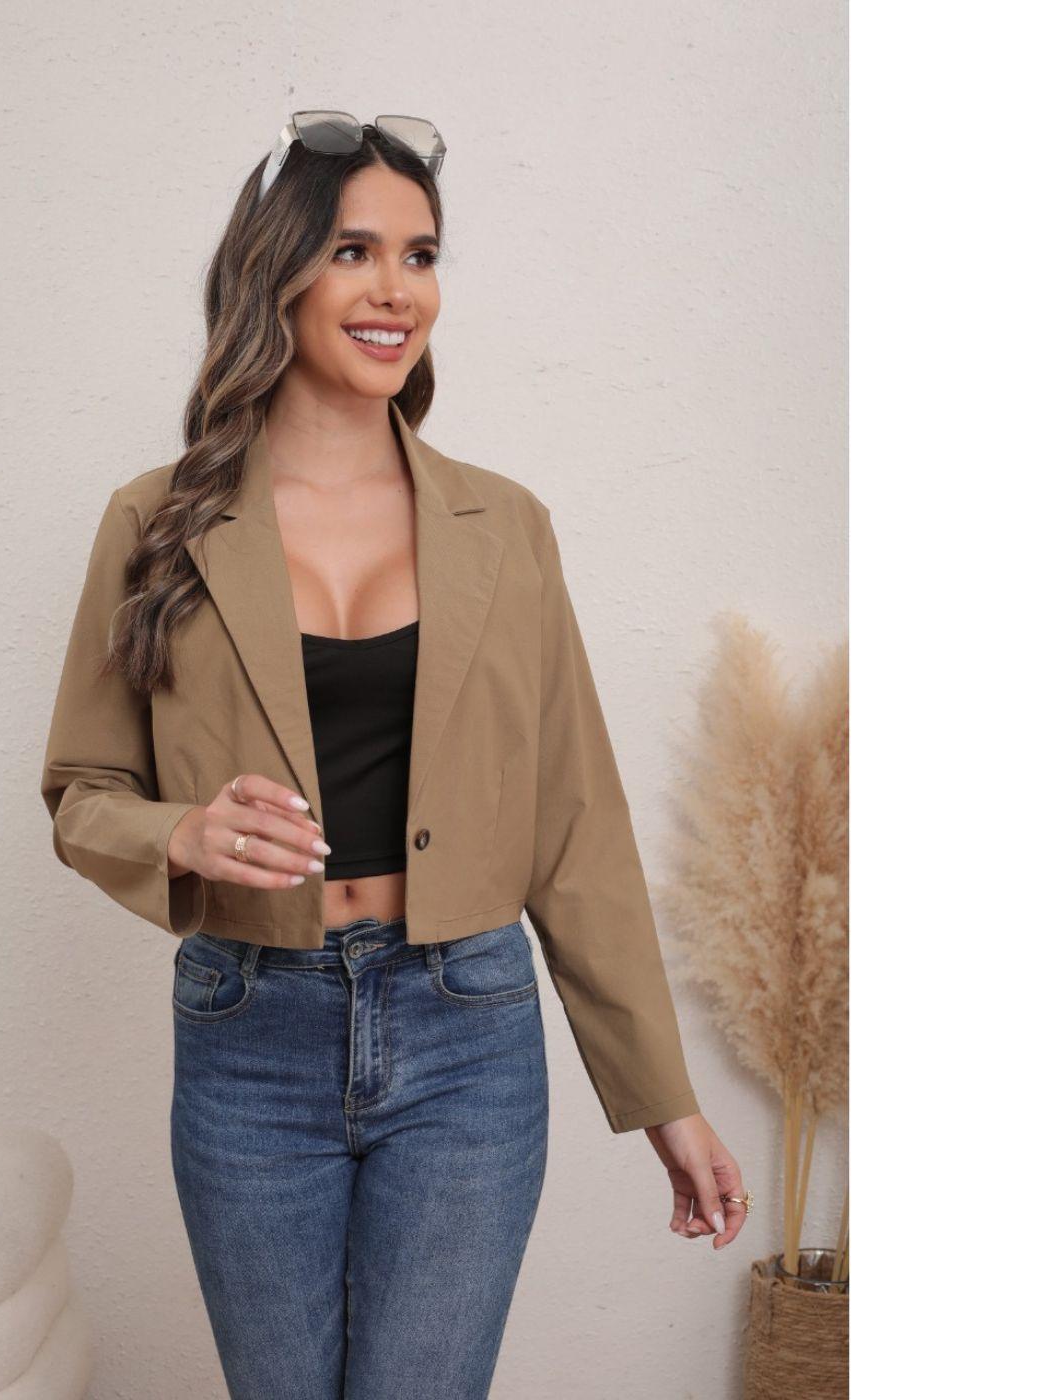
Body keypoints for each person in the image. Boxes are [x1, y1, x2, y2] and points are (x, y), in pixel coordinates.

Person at [41, 112, 748, 1400]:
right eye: (354, 250)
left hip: (466, 1027)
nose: (395, 290)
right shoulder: (155, 522)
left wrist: (664, 1096)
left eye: (420, 256)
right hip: (250, 1026)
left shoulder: (506, 525)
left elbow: (576, 827)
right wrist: (181, 832)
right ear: (277, 272)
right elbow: (82, 794)